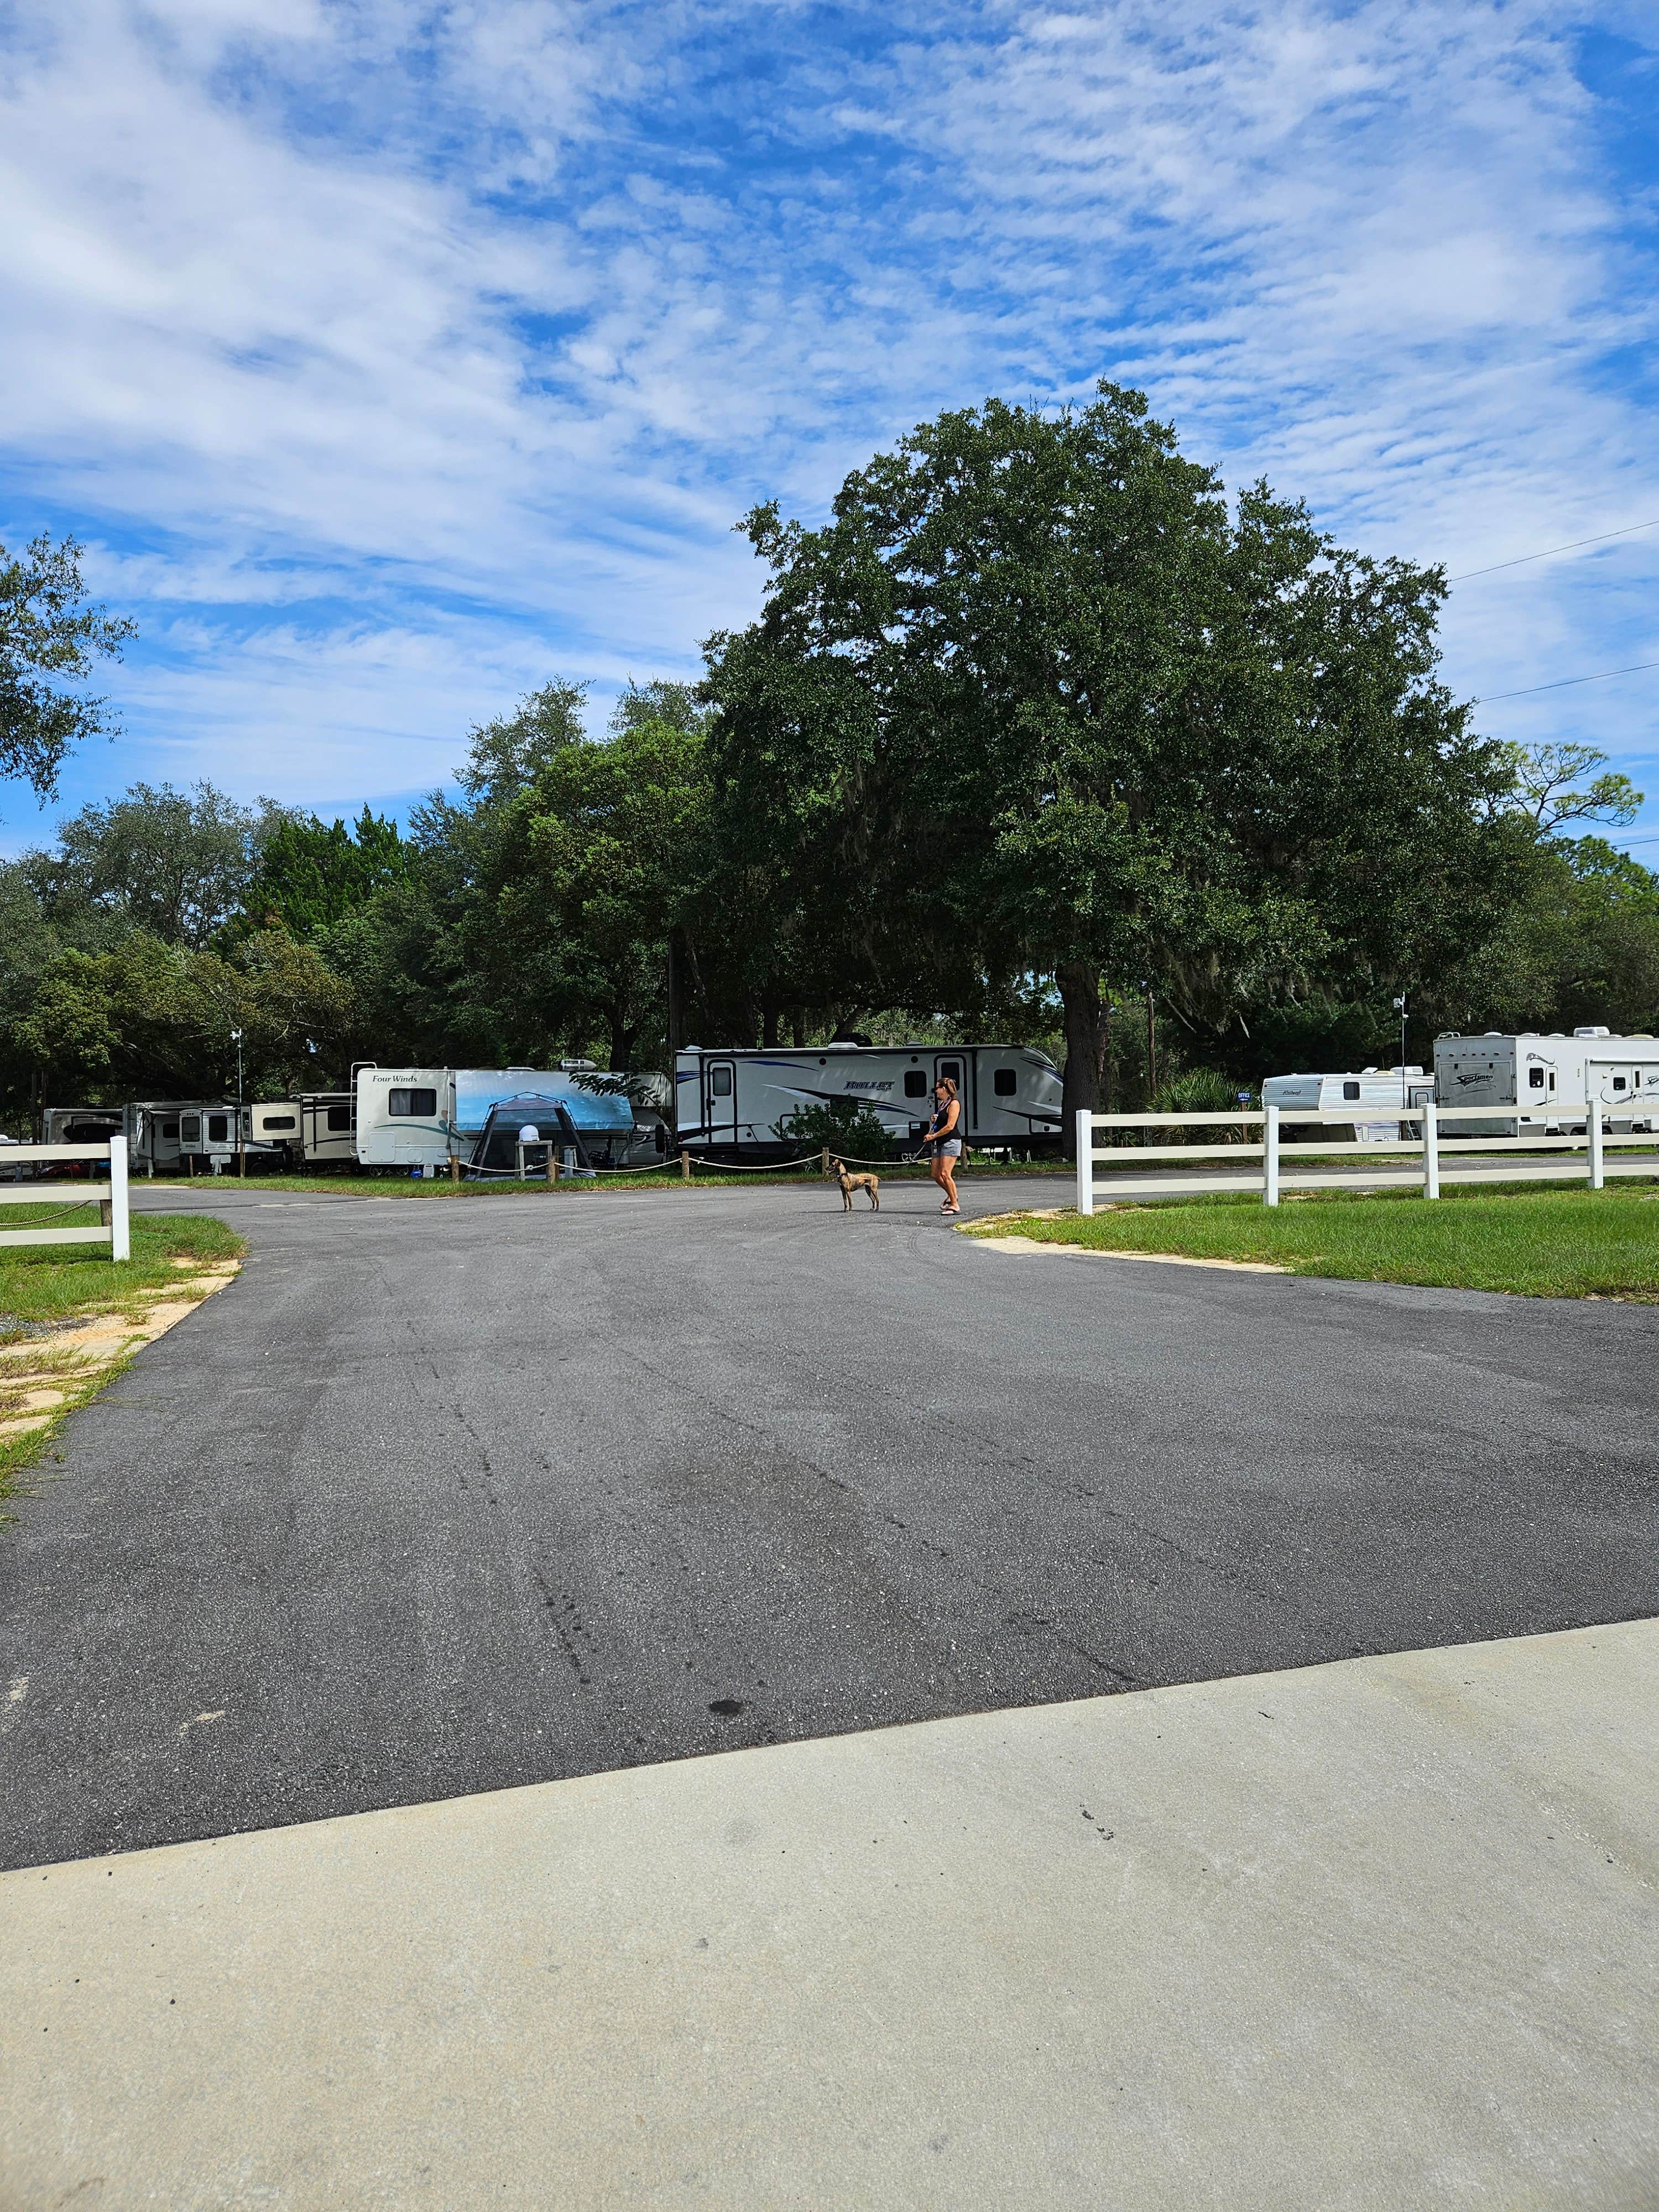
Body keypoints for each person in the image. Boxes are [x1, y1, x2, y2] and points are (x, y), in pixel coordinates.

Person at [924, 1077, 963, 1215]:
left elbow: (950, 1126)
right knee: (935, 1174)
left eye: (937, 1088)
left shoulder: (954, 1104)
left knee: (945, 1173)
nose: (935, 1091)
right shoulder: (943, 1104)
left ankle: (954, 1205)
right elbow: (942, 1121)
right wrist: (936, 1119)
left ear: (944, 1089)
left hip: (950, 1141)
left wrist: (933, 1136)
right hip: (939, 1143)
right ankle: (952, 1195)